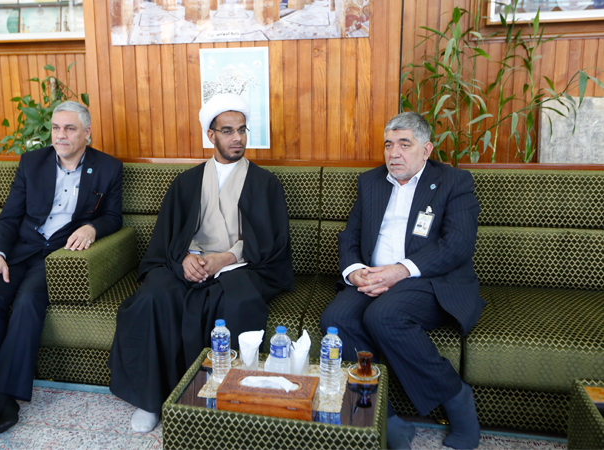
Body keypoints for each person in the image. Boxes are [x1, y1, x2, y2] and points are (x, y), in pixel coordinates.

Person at [108, 93, 294, 433]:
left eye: (242, 130)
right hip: (190, 262)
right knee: (153, 297)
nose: (237, 138)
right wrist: (184, 259)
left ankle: (228, 401)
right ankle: (151, 400)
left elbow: (270, 243)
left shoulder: (265, 183)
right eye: (228, 131)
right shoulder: (186, 182)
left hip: (242, 265)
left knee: (235, 302)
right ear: (211, 135)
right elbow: (168, 238)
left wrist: (226, 258)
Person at [320, 112, 485, 449]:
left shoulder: (454, 182)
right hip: (373, 276)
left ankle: (458, 401)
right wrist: (354, 270)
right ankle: (385, 418)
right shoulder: (371, 182)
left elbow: (457, 244)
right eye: (388, 145)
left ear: (426, 149)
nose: (393, 153)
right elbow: (350, 236)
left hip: (429, 279)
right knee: (335, 320)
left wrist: (401, 270)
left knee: (384, 315)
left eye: (404, 144)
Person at [0, 101, 123, 435]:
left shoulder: (108, 167)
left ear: (87, 133)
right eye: (56, 128)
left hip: (61, 256)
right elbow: (9, 217)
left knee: (28, 301)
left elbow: (112, 217)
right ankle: (3, 401)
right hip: (21, 250)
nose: (60, 135)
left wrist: (92, 228)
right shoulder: (32, 163)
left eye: (70, 128)